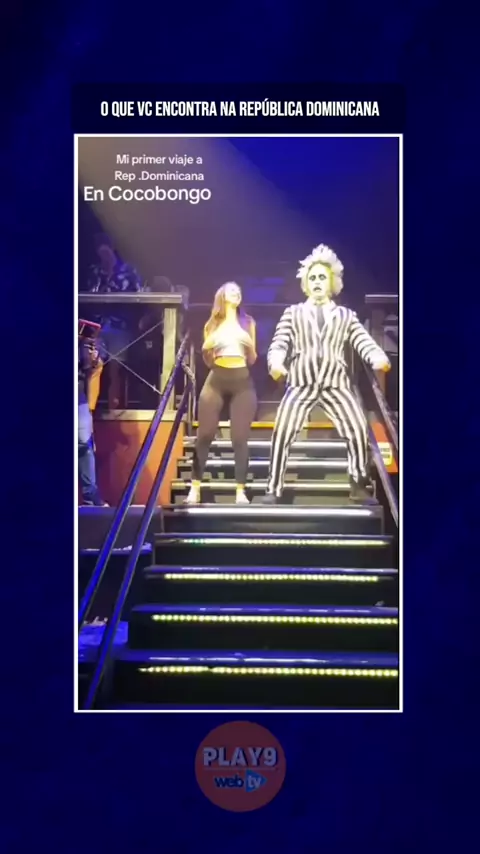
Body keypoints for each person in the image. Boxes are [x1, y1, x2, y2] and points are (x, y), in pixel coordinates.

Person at [263, 243, 391, 505]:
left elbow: (362, 340)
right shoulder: (293, 313)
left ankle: (358, 485)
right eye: (312, 278)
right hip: (301, 383)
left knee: (357, 428)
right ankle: (273, 489)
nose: (317, 282)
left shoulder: (345, 315)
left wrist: (377, 356)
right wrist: (275, 362)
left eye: (322, 277)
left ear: (332, 282)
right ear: (305, 284)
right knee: (283, 429)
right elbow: (279, 343)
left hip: (336, 383)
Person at [185, 282, 258, 505]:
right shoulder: (212, 324)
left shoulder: (248, 322)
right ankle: (195, 487)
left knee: (240, 437)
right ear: (222, 296)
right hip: (217, 377)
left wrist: (249, 345)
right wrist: (207, 347)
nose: (236, 293)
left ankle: (240, 491)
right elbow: (207, 360)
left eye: (239, 291)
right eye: (231, 290)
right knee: (205, 434)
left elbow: (252, 359)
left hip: (242, 379)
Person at [85, 234, 144, 408]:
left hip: (121, 326)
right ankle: (90, 410)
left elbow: (141, 296)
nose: (104, 256)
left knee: (116, 368)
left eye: (107, 252)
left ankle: (114, 408)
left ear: (113, 249)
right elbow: (89, 296)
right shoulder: (95, 272)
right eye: (101, 252)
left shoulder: (129, 271)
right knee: (95, 365)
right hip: (98, 326)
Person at [78, 336, 108, 506]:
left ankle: (90, 496)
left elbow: (91, 366)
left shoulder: (83, 339)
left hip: (79, 397)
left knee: (85, 445)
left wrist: (94, 359)